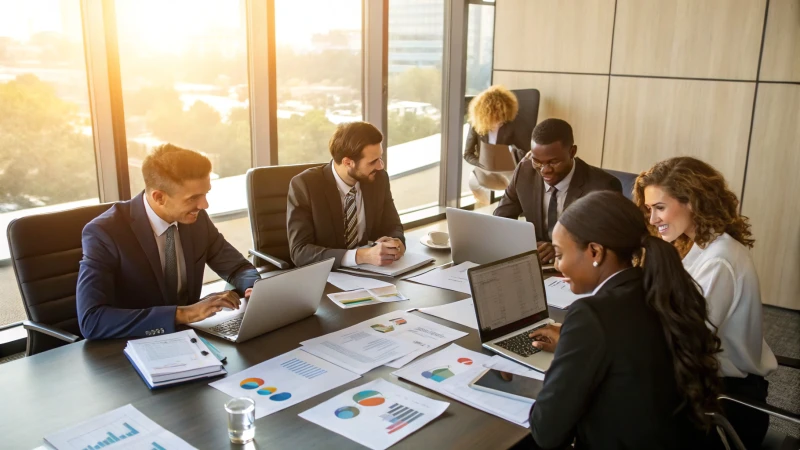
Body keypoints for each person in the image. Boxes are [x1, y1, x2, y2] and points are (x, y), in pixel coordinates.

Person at [526, 191, 723, 449]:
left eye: (560, 255)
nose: (558, 265)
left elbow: (547, 431)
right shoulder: (662, 290)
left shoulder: (591, 315)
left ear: (595, 251)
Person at [635, 156, 777, 449]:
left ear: (693, 202)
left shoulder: (719, 260)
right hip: (709, 383)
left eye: (660, 208)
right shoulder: (700, 243)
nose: (652, 219)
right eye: (650, 209)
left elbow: (682, 339)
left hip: (727, 403)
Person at [77, 144, 260, 340]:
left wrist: (255, 289)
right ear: (159, 197)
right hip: (133, 346)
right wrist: (185, 313)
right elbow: (92, 321)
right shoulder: (105, 233)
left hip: (191, 338)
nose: (204, 205)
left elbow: (238, 267)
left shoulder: (196, 220)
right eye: (193, 198)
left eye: (205, 193)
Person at [494, 118, 622, 265]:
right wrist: (527, 246)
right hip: (538, 264)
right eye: (537, 161)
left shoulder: (602, 186)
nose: (544, 170)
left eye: (553, 162)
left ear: (572, 152)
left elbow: (607, 243)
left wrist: (561, 249)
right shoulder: (524, 172)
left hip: (579, 268)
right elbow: (501, 220)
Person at [287, 121, 405, 269]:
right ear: (348, 162)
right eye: (373, 162)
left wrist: (397, 242)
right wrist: (362, 255)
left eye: (380, 158)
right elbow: (300, 252)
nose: (381, 166)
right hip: (327, 276)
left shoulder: (378, 179)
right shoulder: (305, 186)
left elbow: (393, 225)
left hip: (372, 272)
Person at [463, 85, 530, 206]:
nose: (500, 122)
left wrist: (513, 153)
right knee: (473, 183)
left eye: (502, 118)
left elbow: (527, 151)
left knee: (516, 190)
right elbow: (467, 154)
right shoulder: (476, 126)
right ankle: (490, 210)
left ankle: (503, 212)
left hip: (509, 170)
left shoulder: (513, 125)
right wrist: (480, 164)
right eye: (495, 118)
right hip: (485, 170)